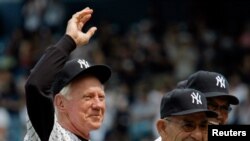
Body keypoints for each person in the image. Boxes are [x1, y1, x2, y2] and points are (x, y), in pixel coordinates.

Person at [24, 7, 112, 141]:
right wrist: (69, 40)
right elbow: (36, 85)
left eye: (101, 97)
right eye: (87, 97)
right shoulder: (52, 135)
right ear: (61, 103)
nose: (98, 105)